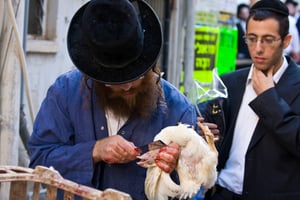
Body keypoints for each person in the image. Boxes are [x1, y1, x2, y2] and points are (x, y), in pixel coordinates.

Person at [27, 0, 199, 199]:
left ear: (149, 64)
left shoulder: (179, 110)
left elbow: (194, 188)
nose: (127, 86)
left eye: (137, 76)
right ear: (94, 73)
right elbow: (39, 161)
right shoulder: (65, 92)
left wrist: (176, 169)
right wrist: (94, 151)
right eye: (115, 81)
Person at [200, 0, 300, 199]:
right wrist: (200, 128)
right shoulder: (230, 81)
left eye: (268, 39)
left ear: (286, 41)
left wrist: (268, 99)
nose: (258, 48)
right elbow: (205, 116)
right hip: (222, 192)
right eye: (252, 39)